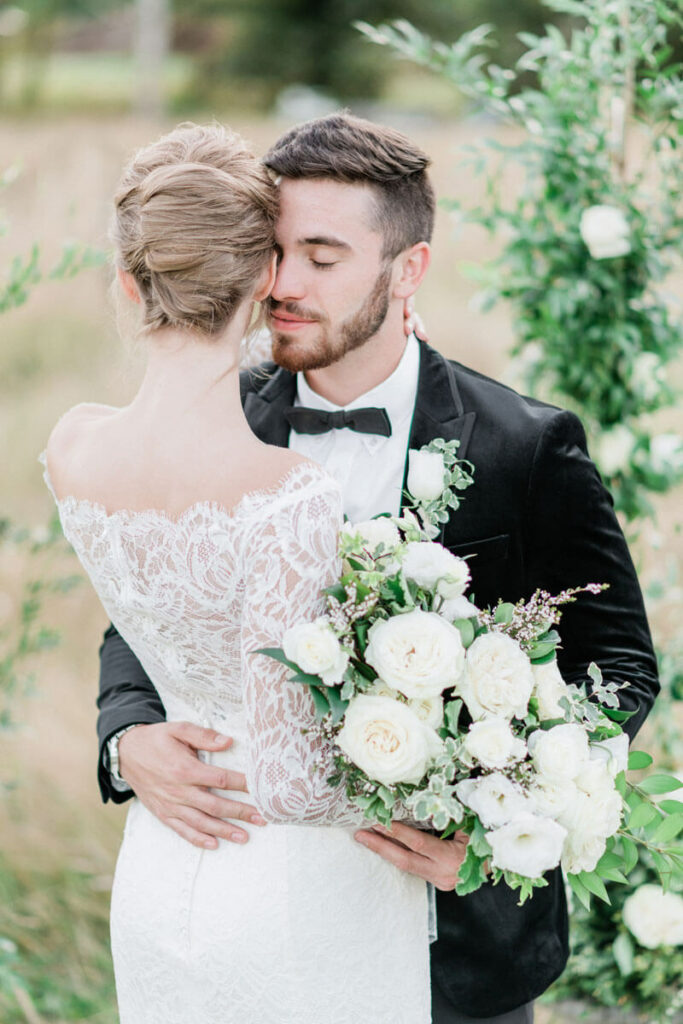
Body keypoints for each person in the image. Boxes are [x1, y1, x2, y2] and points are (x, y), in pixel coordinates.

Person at [96, 114, 659, 1024]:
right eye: (272, 252)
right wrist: (127, 742)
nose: (282, 284)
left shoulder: (523, 443)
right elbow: (147, 609)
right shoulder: (217, 417)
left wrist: (489, 825)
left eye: (322, 256)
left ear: (408, 270)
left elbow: (619, 665)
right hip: (252, 911)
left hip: (449, 936)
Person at [43, 122, 433, 1024]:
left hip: (164, 853)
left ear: (129, 283)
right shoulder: (288, 495)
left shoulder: (73, 441)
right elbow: (296, 783)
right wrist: (439, 770)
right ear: (265, 281)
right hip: (300, 892)